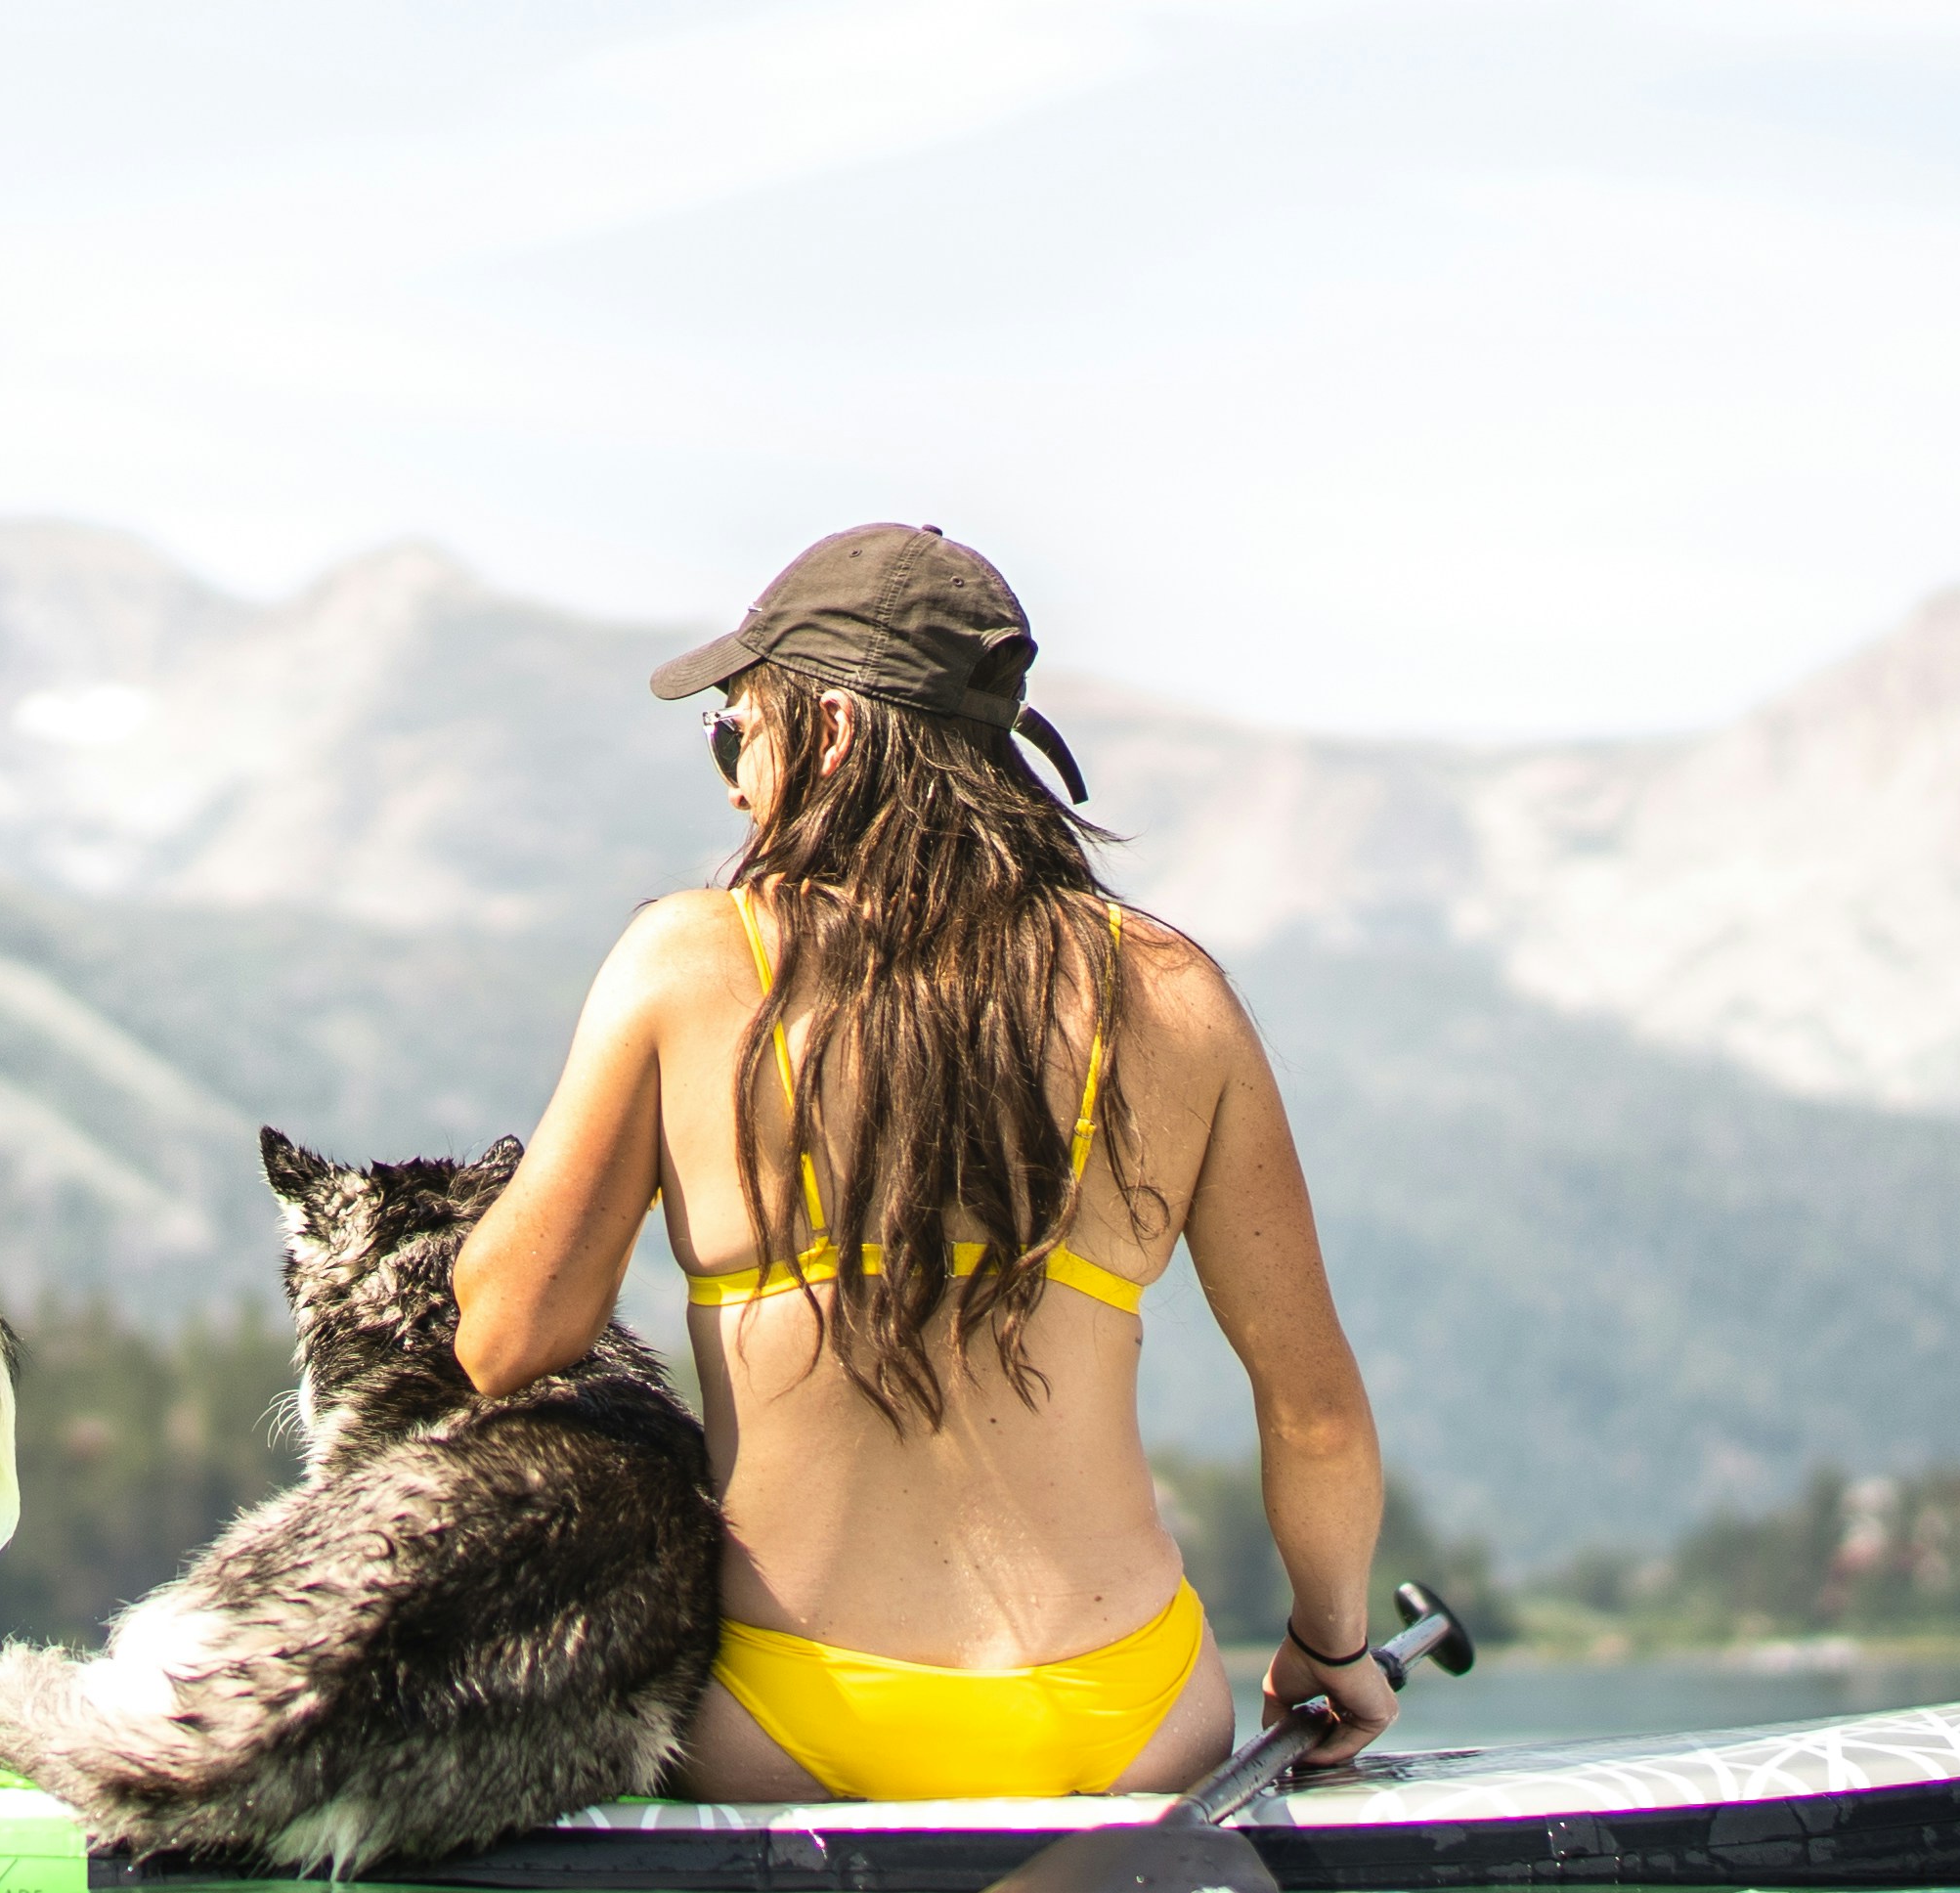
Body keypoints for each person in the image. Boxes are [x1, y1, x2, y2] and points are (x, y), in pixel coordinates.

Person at [449, 525, 1392, 1802]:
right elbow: (1316, 1411)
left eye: (736, 730)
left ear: (826, 728)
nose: (731, 783)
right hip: (1125, 1719)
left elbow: (504, 1340)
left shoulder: (689, 960)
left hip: (789, 1717)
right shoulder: (1172, 995)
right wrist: (1330, 1642)